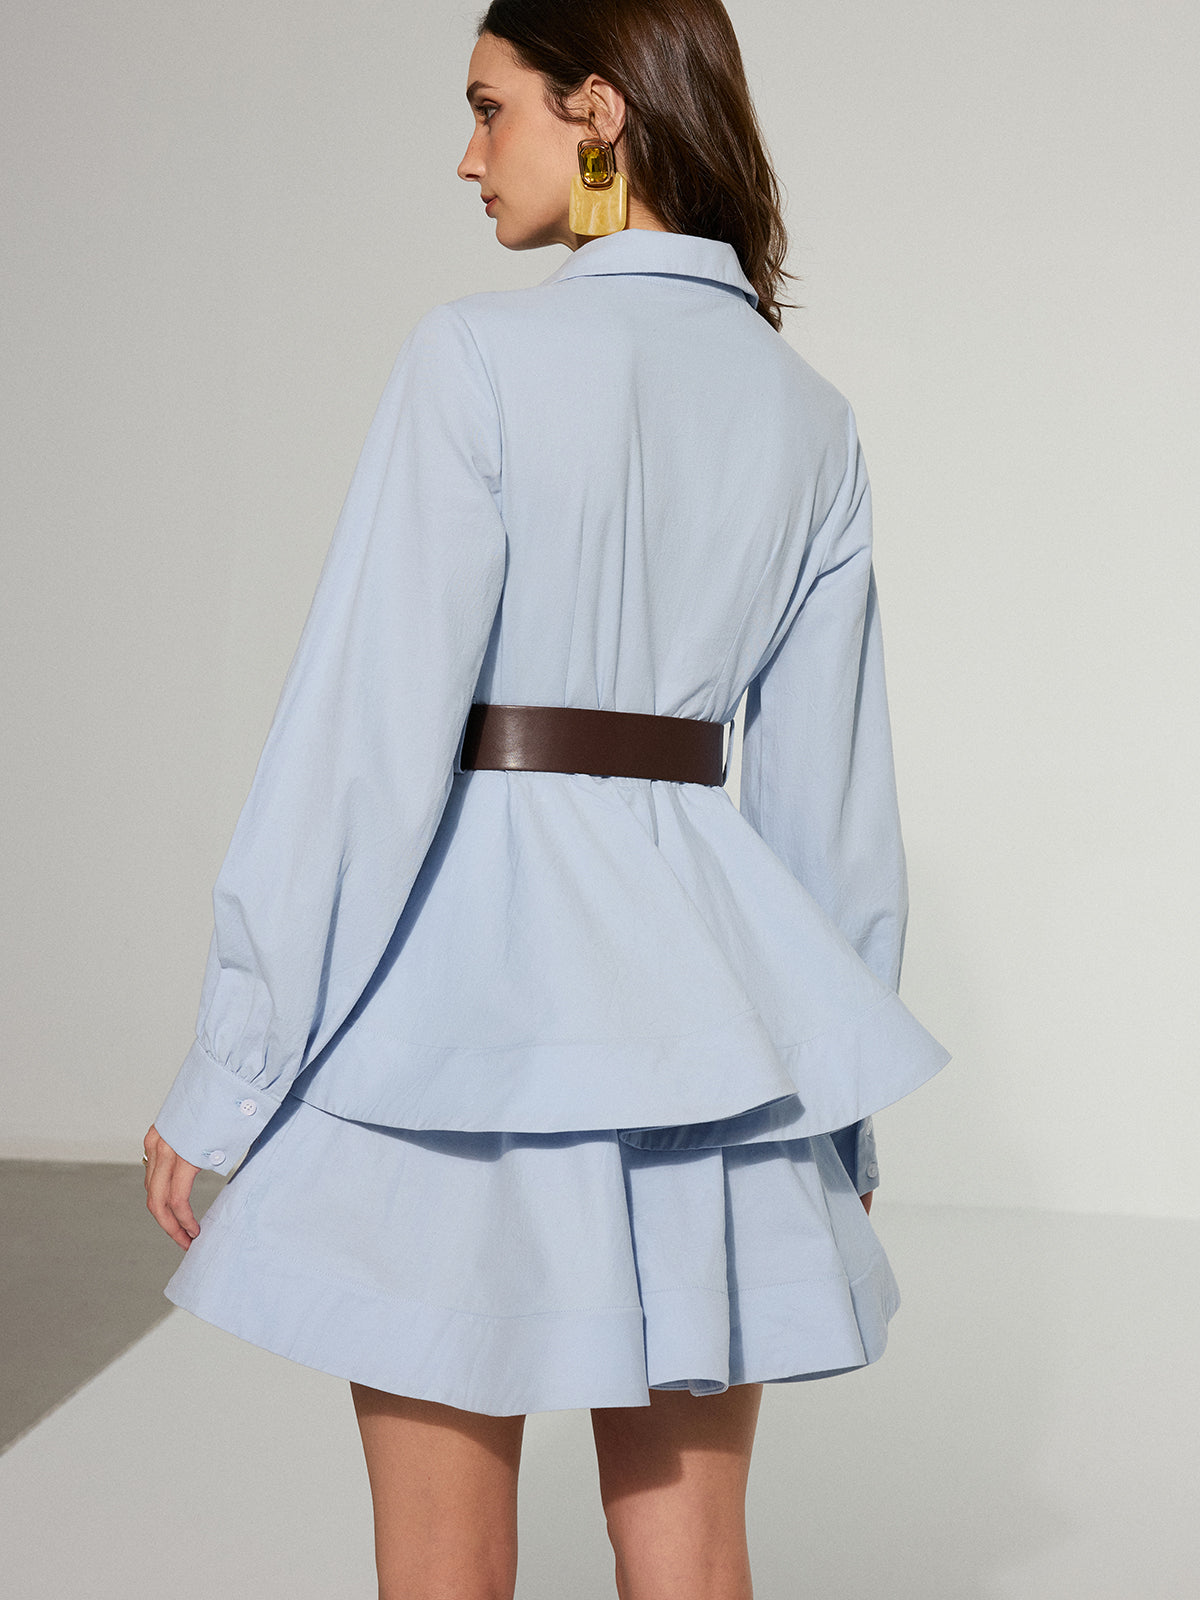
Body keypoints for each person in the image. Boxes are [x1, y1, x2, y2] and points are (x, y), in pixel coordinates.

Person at [142, 2, 952, 1595]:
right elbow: (832, 809)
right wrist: (832, 1101)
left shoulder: (476, 358)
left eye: (487, 107)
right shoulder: (808, 417)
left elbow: (363, 744)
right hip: (714, 1032)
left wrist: (234, 1062)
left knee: (443, 1563)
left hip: (463, 1013)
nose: (467, 156)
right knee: (693, 1556)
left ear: (598, 111)